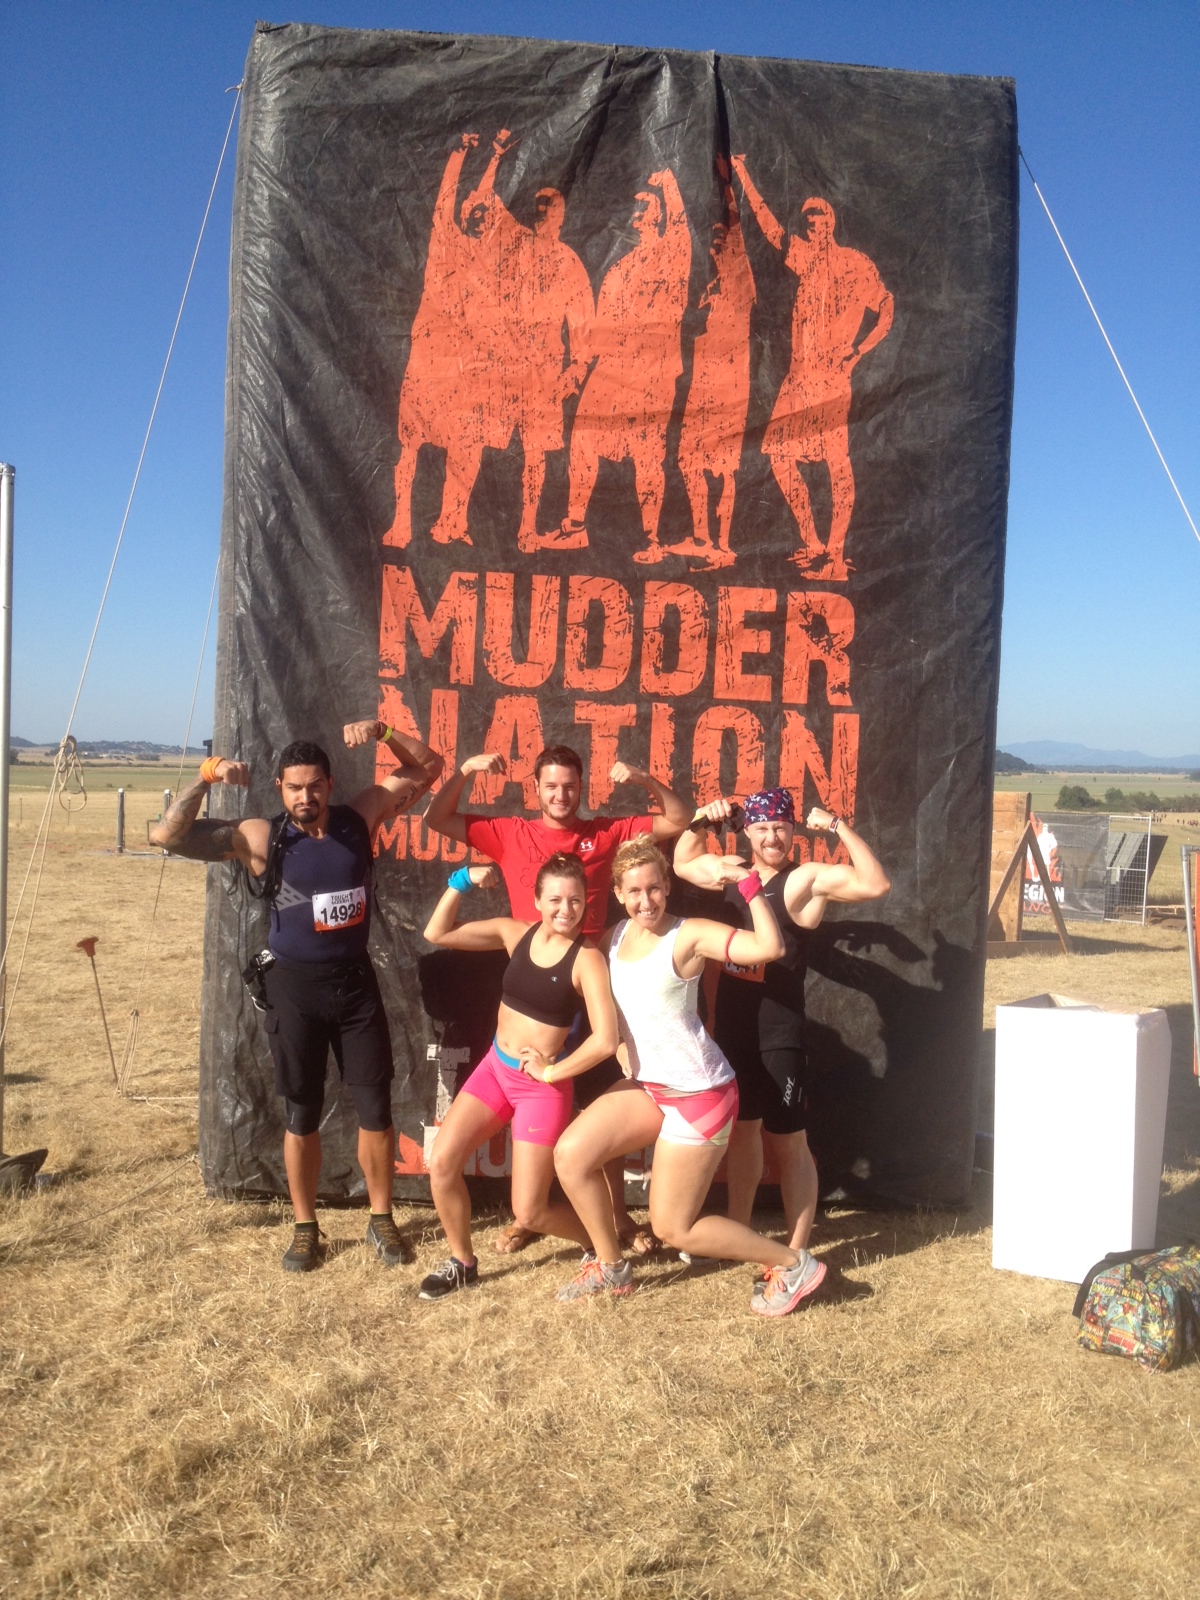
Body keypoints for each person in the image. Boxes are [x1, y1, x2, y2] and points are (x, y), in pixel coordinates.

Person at [149, 721, 443, 1273]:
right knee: (301, 1113)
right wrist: (206, 776)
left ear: (330, 784)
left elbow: (428, 767)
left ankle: (381, 1218)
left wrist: (384, 732)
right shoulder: (262, 837)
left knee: (376, 1109)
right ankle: (305, 1227)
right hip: (295, 989)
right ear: (280, 789)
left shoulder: (359, 819)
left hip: (354, 986)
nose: (305, 796)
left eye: (314, 786)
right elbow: (167, 837)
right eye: (294, 788)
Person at [425, 742, 690, 1254]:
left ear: (581, 787)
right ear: (536, 789)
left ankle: (617, 1218)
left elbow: (678, 818)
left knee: (601, 1107)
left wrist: (643, 777)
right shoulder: (509, 832)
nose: (561, 795)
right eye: (551, 786)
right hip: (534, 990)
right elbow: (437, 818)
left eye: (569, 786)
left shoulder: (606, 833)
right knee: (530, 1105)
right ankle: (532, 1216)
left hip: (591, 989)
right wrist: (465, 771)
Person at [547, 837, 826, 1314]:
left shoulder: (689, 934)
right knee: (571, 1156)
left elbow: (771, 946)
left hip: (700, 1093)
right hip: (651, 1087)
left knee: (672, 1228)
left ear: (667, 887)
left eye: (654, 888)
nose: (646, 901)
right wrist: (619, 1045)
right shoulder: (615, 937)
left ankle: (793, 1263)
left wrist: (749, 885)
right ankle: (612, 1267)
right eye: (635, 891)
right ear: (618, 893)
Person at [674, 788, 890, 1256]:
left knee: (789, 1141)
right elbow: (683, 862)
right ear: (747, 832)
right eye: (762, 828)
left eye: (780, 828)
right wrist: (702, 819)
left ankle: (796, 1249)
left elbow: (875, 885)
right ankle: (739, 1233)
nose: (771, 837)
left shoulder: (802, 880)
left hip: (779, 1033)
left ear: (793, 830)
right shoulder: (733, 870)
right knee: (743, 1132)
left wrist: (837, 827)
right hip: (733, 1029)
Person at [419, 852, 618, 1298]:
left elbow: (606, 1040)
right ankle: (462, 1263)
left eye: (575, 901)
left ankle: (598, 1243)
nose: (566, 910)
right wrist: (460, 881)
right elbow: (437, 932)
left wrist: (552, 1072)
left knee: (530, 1213)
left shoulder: (587, 959)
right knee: (443, 1164)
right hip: (496, 1070)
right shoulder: (516, 933)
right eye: (555, 900)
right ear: (537, 900)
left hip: (540, 1091)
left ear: (586, 903)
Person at [731, 156, 894, 581]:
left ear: (831, 224)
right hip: (798, 378)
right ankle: (812, 542)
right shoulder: (804, 259)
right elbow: (770, 230)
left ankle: (835, 556)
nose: (813, 229)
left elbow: (886, 305)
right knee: (778, 457)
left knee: (837, 463)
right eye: (808, 224)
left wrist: (858, 351)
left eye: (820, 222)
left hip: (830, 380)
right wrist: (744, 174)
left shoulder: (854, 264)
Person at [549, 169, 692, 562]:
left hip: (652, 373)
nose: (638, 214)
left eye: (646, 208)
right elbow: (599, 328)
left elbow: (681, 228)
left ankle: (651, 540)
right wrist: (580, 369)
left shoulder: (673, 256)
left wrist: (670, 186)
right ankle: (575, 527)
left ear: (659, 217)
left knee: (647, 455)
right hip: (611, 370)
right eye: (636, 210)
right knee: (583, 438)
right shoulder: (618, 270)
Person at [668, 156, 756, 571]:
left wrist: (728, 189)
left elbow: (736, 229)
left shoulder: (743, 284)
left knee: (722, 469)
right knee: (689, 461)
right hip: (702, 386)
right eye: (714, 243)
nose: (716, 246)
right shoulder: (713, 290)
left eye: (723, 242)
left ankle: (722, 545)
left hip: (728, 391)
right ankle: (701, 536)